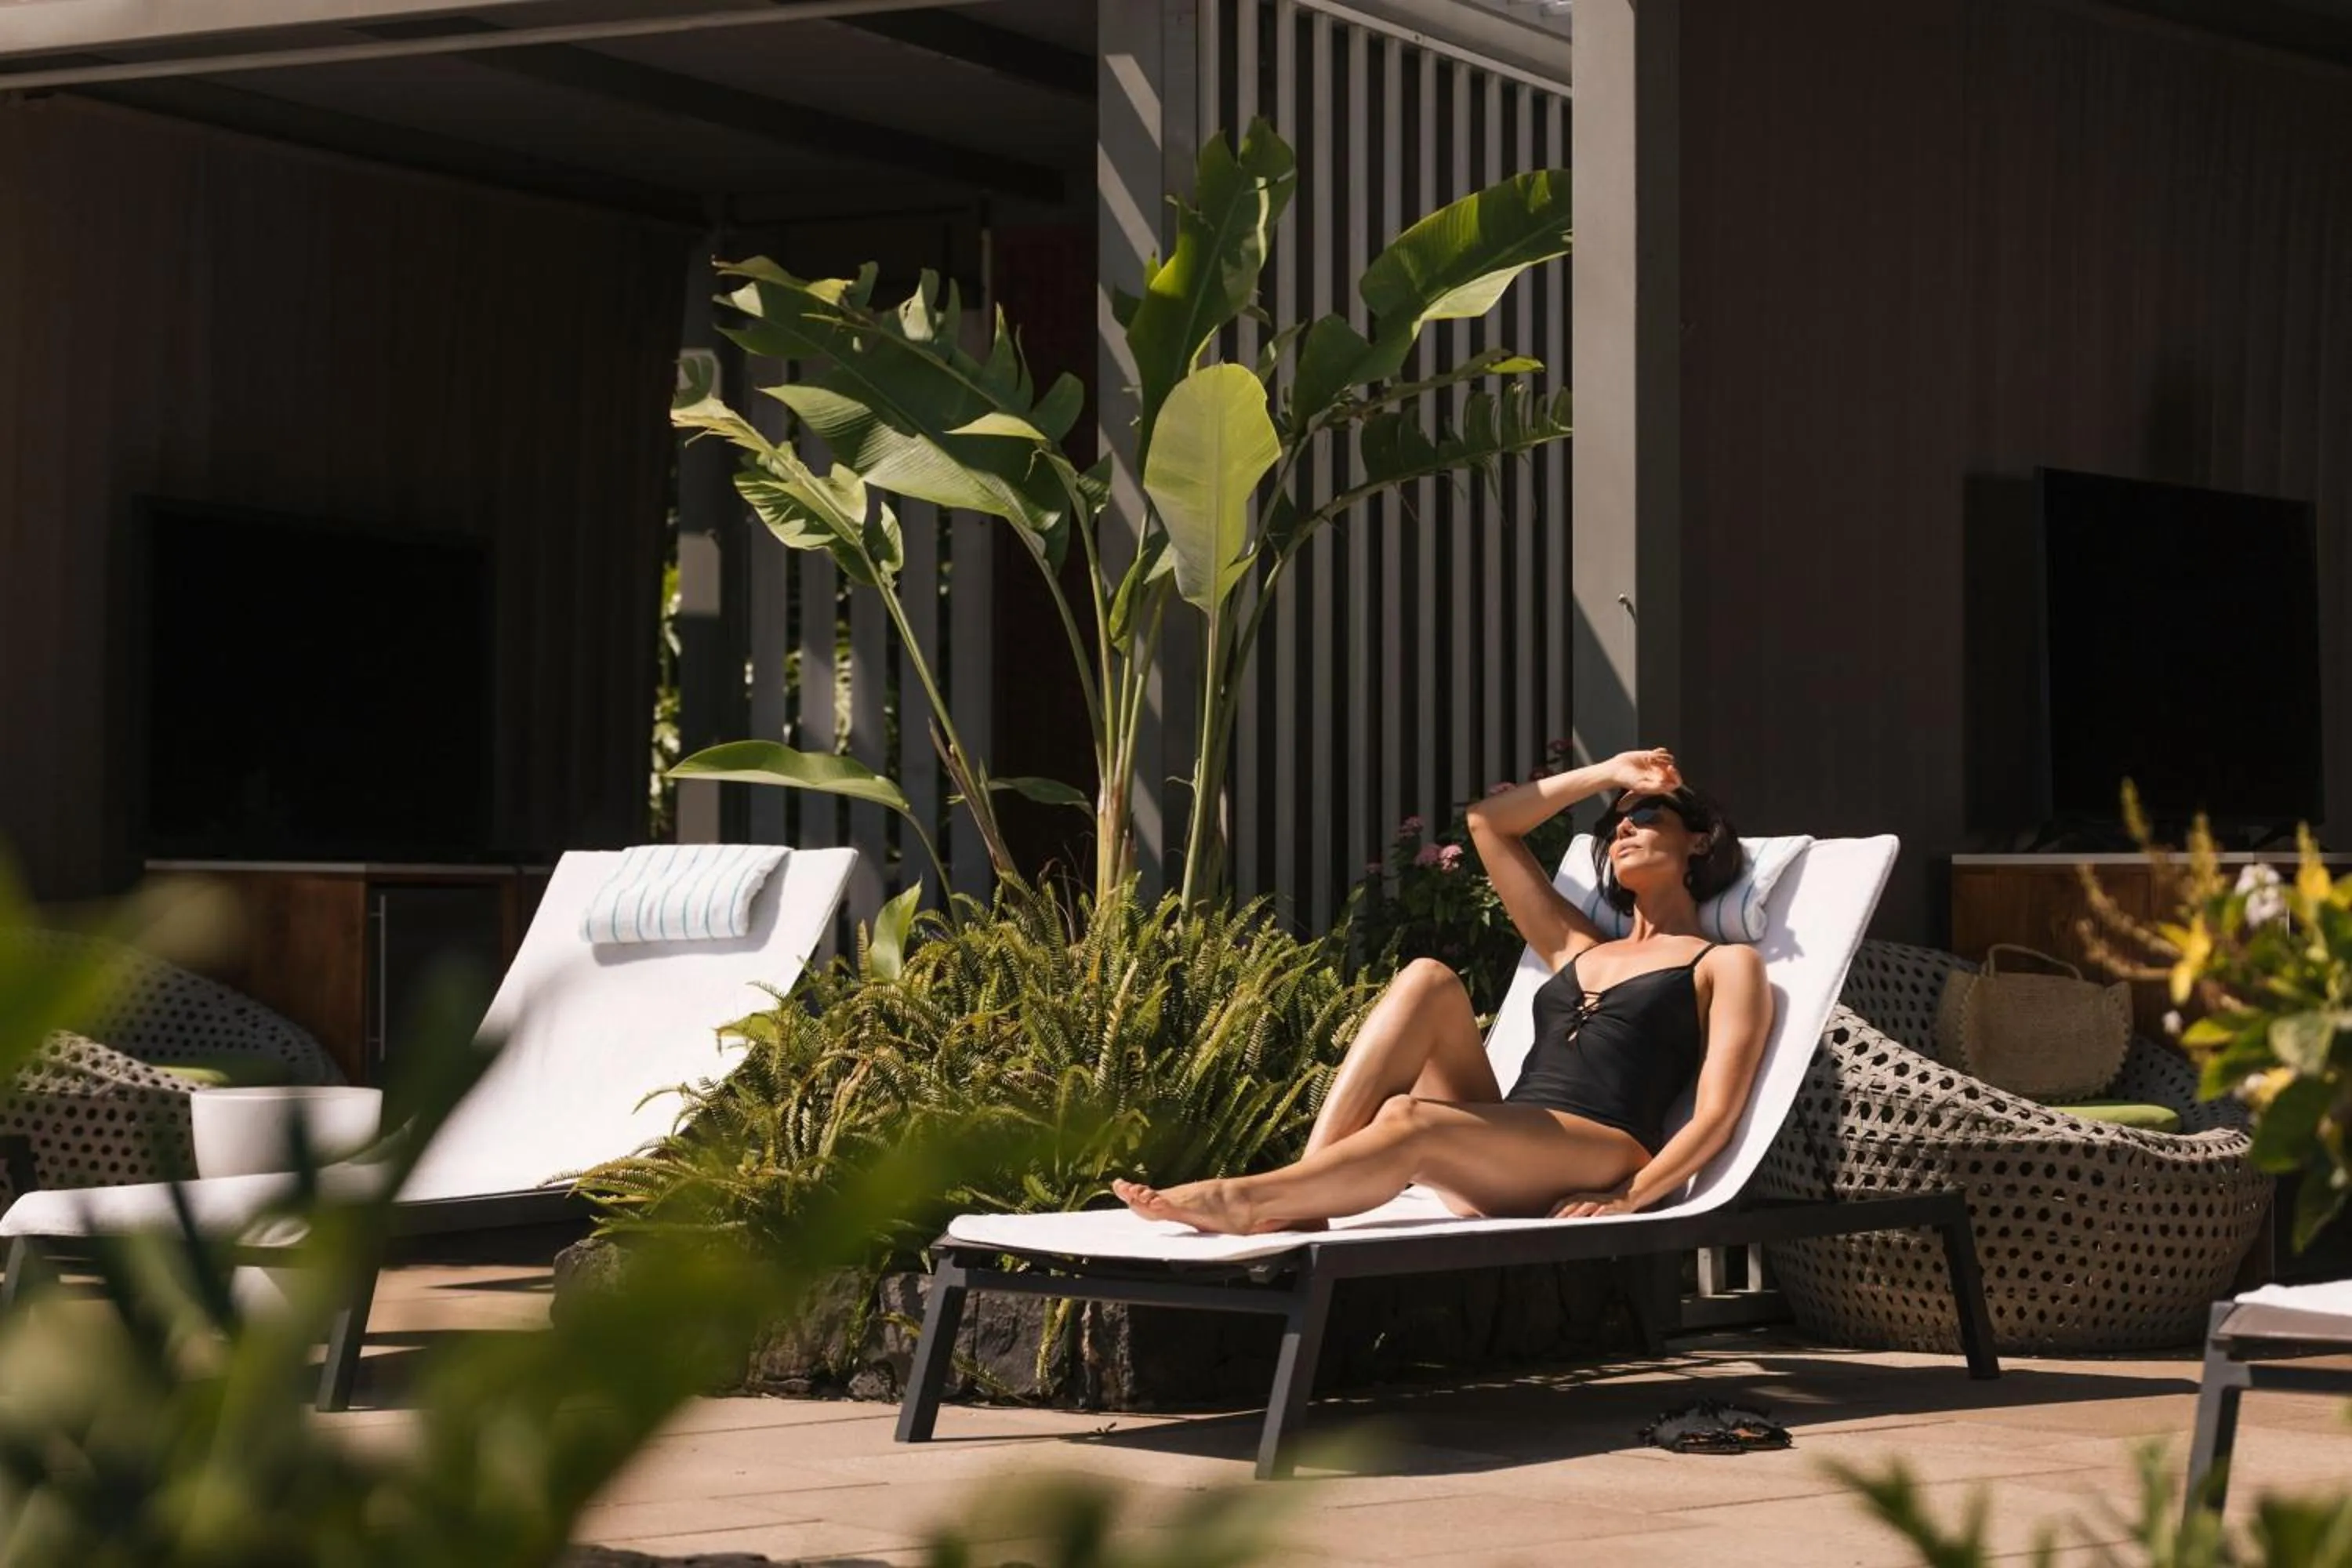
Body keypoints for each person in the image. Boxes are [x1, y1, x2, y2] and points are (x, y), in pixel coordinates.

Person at [1112, 748, 1774, 1235]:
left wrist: (1631, 1195)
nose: (1623, 828)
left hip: (1603, 1149)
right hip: (1506, 1149)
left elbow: (1715, 1116)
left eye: (1647, 815)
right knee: (1427, 978)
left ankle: (1252, 1198)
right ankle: (1305, 1194)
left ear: (1697, 843)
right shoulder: (1579, 946)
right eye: (1614, 826)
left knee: (1408, 1116)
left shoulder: (1724, 964)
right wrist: (1608, 774)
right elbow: (1489, 823)